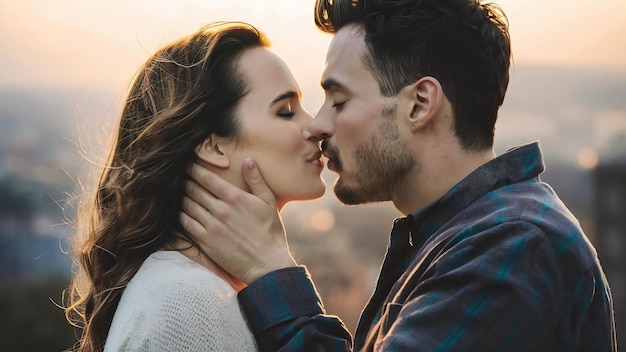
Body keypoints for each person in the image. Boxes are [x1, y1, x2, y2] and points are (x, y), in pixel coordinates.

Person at [180, 0, 618, 351]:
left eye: (339, 100)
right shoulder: (460, 238)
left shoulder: (514, 248)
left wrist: (271, 270)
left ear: (420, 103)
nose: (319, 124)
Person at [64, 21, 328, 352]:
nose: (315, 125)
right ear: (213, 146)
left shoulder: (207, 291)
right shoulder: (190, 305)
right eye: (286, 111)